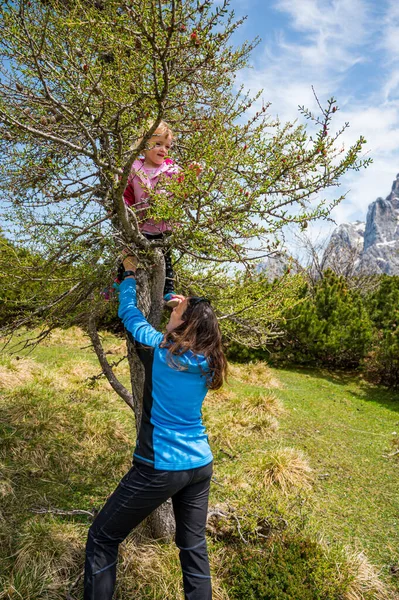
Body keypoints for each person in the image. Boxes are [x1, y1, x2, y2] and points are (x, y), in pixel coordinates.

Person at [84, 254, 227, 600]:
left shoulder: (162, 353)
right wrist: (175, 299)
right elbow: (185, 322)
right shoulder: (209, 360)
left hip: (161, 464)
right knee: (193, 548)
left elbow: (130, 314)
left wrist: (129, 274)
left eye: (176, 313)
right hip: (200, 464)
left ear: (181, 326)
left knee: (102, 538)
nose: (170, 314)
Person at [123, 120, 180, 306]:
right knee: (128, 251)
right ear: (144, 144)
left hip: (162, 226)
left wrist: (191, 176)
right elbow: (127, 193)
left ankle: (169, 292)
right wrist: (125, 212)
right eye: (158, 144)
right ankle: (121, 281)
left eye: (167, 146)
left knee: (165, 260)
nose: (163, 149)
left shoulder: (171, 170)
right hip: (140, 224)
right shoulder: (134, 168)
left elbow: (181, 193)